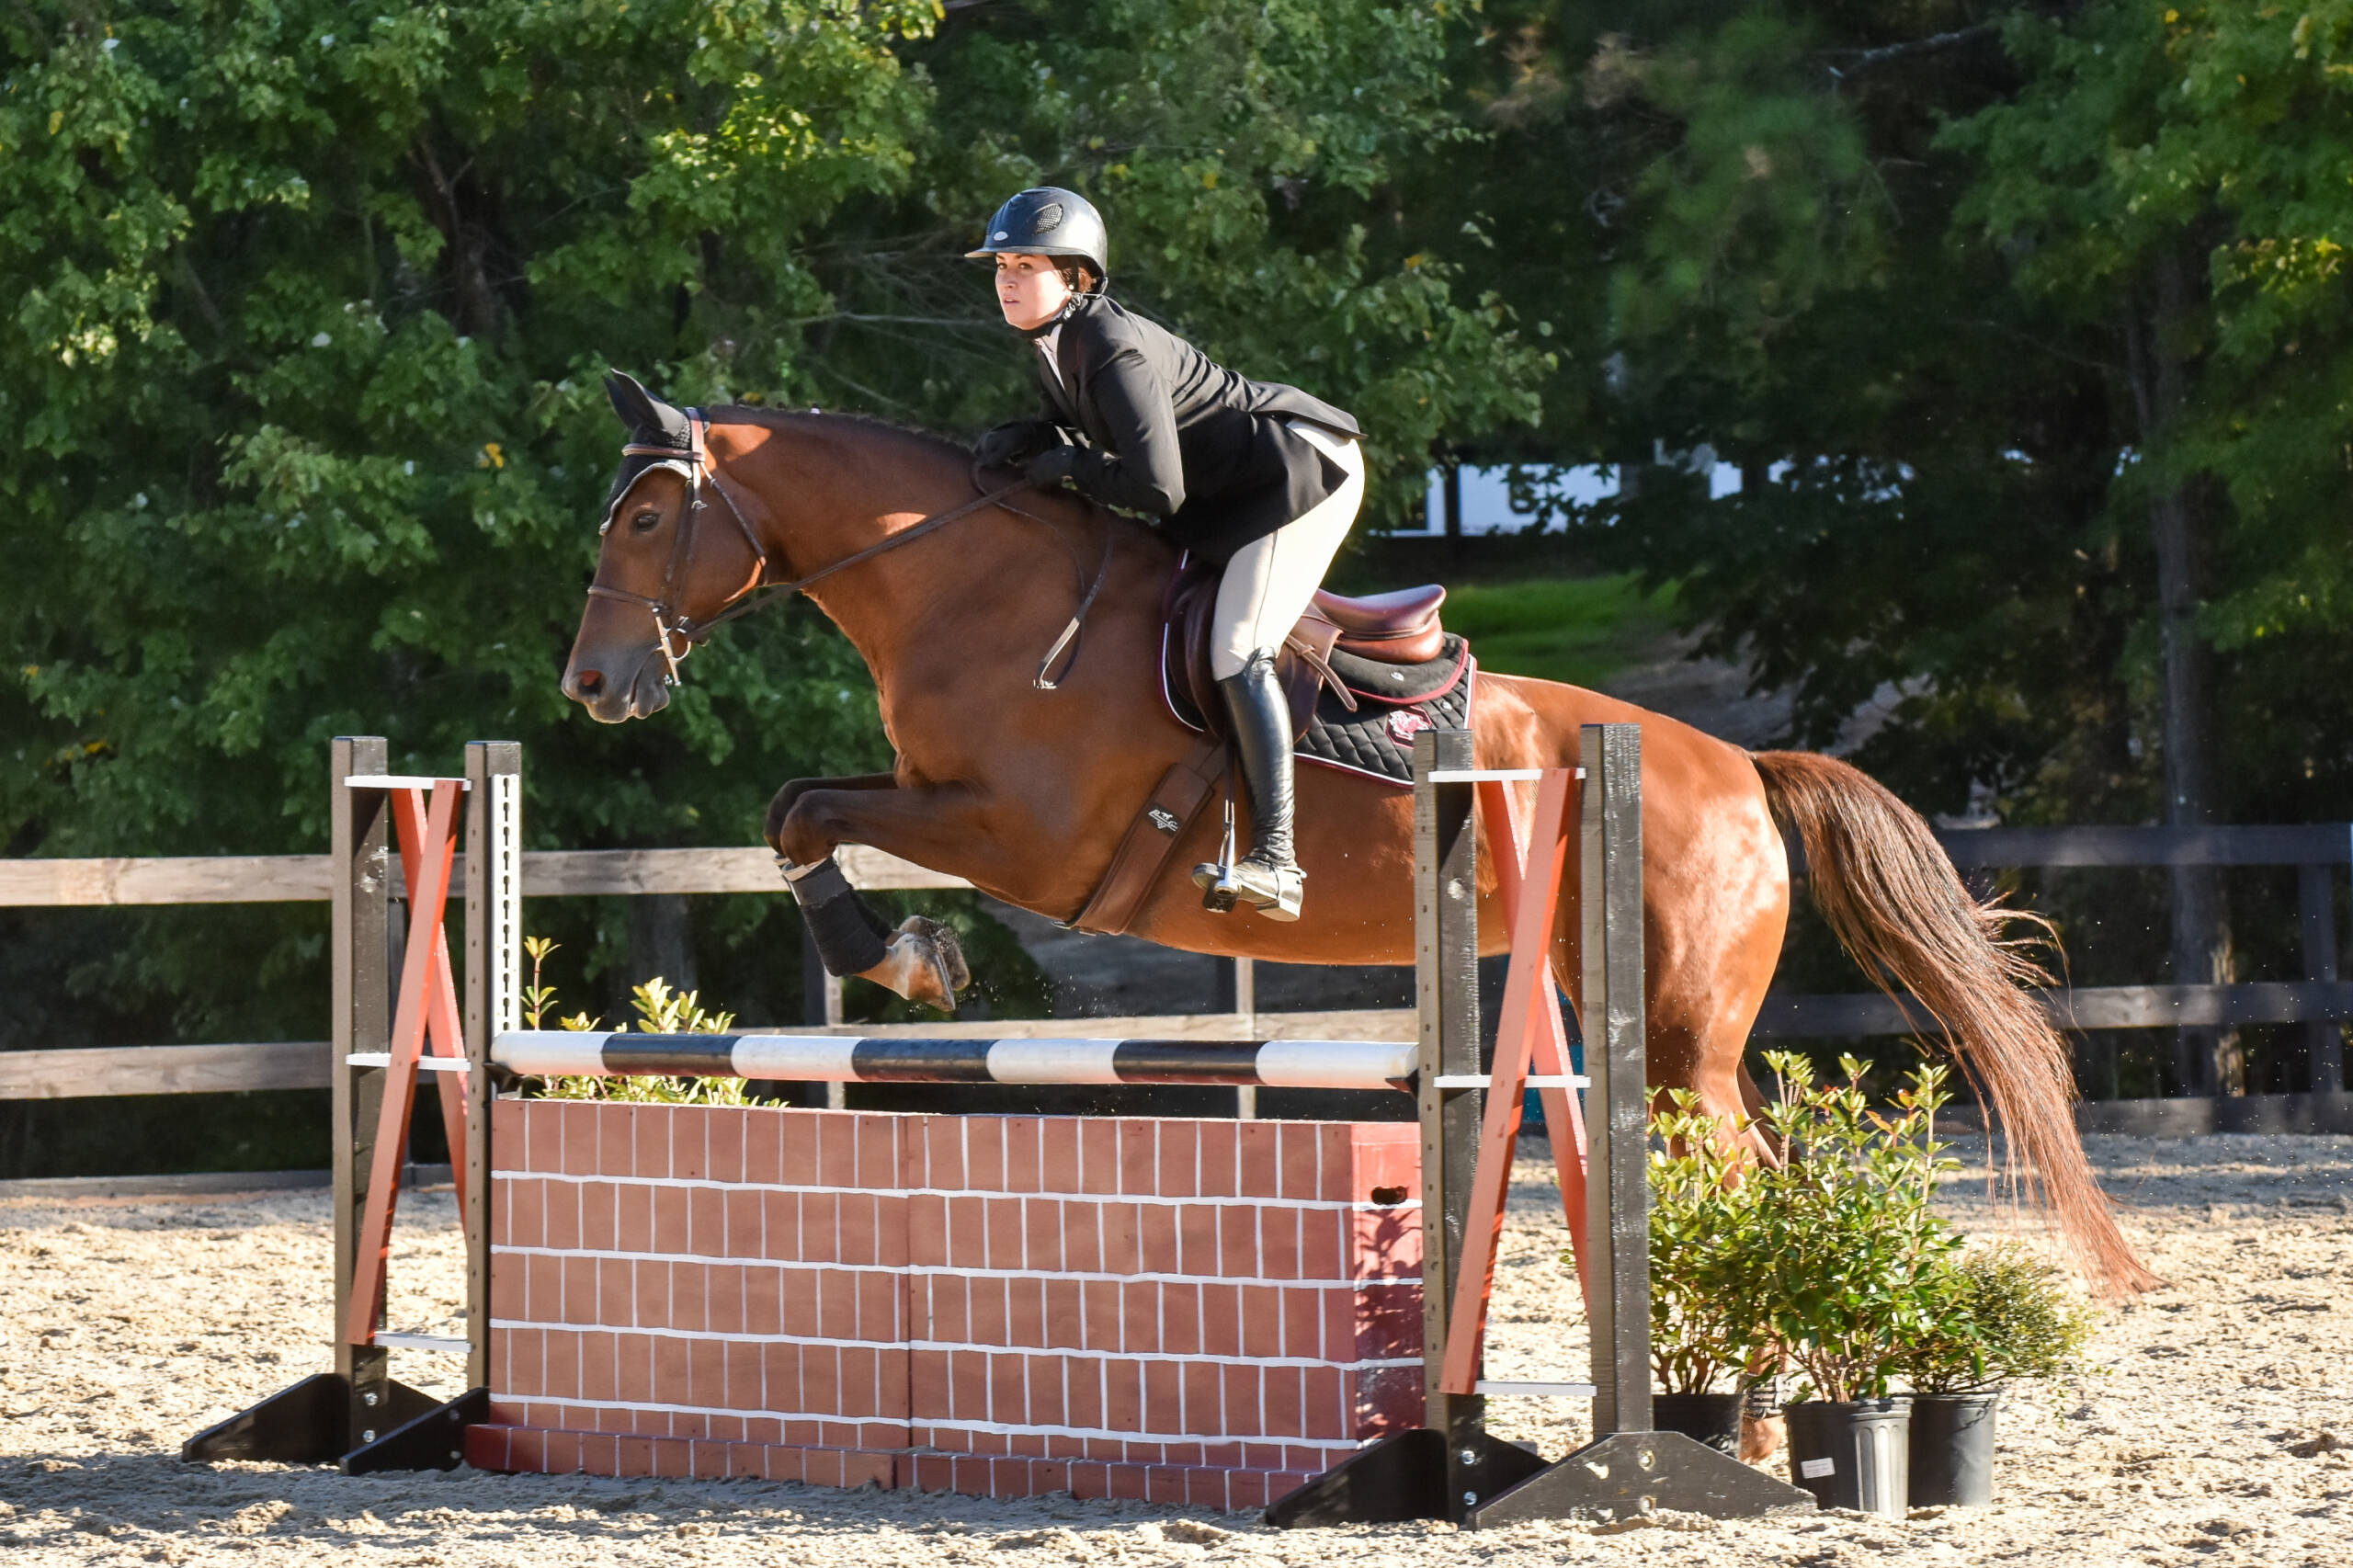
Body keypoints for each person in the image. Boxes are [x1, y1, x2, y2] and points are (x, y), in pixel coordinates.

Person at [969, 187, 1364, 923]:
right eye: (1001, 266)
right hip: (1236, 484)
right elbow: (1100, 436)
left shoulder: (1108, 343)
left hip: (1301, 469)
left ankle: (1278, 861)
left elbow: (1156, 490)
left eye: (1027, 265)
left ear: (1078, 278)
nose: (1008, 280)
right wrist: (1035, 436)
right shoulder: (1056, 344)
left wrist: (1067, 467)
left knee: (1239, 648)